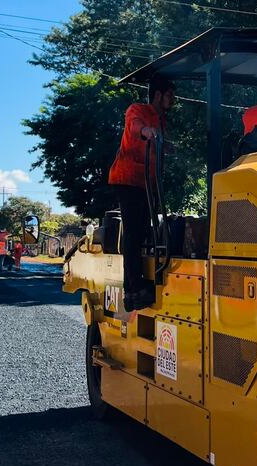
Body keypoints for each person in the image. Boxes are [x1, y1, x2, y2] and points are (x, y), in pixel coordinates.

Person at [108, 75, 175, 311]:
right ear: (157, 94)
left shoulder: (161, 120)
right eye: (169, 94)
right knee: (134, 233)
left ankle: (142, 283)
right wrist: (146, 130)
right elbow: (136, 125)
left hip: (147, 183)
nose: (173, 99)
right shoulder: (137, 110)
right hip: (128, 179)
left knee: (147, 231)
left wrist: (166, 146)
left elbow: (155, 143)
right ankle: (132, 289)